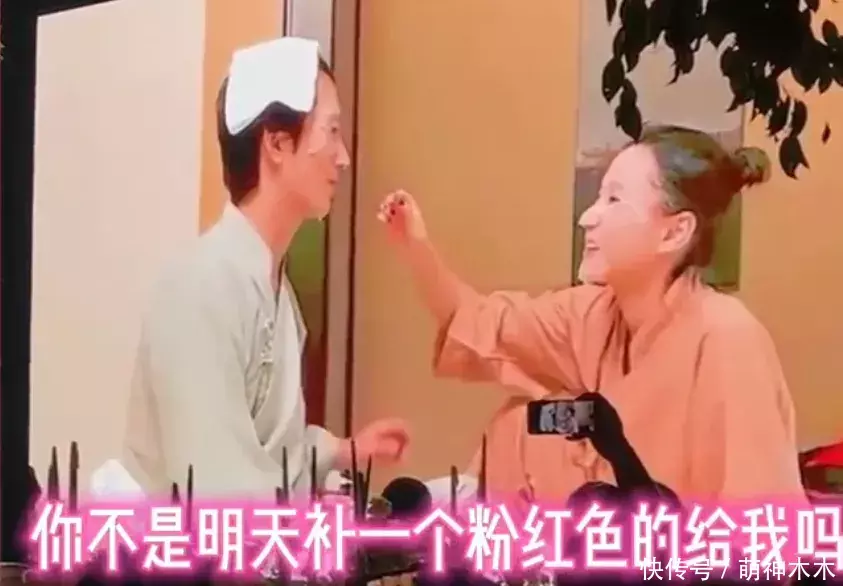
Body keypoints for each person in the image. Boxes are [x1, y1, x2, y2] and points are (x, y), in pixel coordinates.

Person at [379, 125, 803, 504]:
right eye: (598, 197)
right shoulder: (591, 314)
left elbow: (760, 526)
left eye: (614, 199)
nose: (588, 217)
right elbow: (480, 323)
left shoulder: (728, 340)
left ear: (675, 231)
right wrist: (415, 246)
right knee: (521, 420)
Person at [114, 37, 409, 500]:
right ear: (277, 143)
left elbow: (269, 449)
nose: (344, 156)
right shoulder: (198, 289)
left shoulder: (273, 290)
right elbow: (218, 488)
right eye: (331, 131)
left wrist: (342, 450)